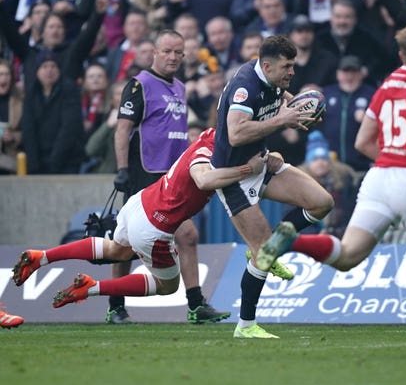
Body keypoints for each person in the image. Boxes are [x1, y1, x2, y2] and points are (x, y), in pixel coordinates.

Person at [256, 21, 406, 353]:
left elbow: (364, 141)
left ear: (400, 54)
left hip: (378, 177)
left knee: (349, 254)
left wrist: (394, 160)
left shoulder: (387, 85)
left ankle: (294, 241)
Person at [11, 129, 268, 309]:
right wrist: (248, 170)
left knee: (117, 250)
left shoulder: (211, 135)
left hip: (140, 202)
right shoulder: (211, 152)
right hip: (154, 227)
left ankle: (41, 256)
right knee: (167, 286)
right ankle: (90, 287)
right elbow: (203, 178)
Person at [211, 34, 334, 338]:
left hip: (262, 162)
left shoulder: (270, 79)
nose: (292, 72)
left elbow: (282, 101)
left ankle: (274, 242)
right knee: (263, 252)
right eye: (287, 67)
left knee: (322, 202)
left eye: (292, 65)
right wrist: (283, 120)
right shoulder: (245, 86)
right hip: (234, 174)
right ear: (266, 65)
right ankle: (246, 326)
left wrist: (302, 107)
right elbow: (236, 134)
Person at [110, 29, 226, 324]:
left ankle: (196, 304)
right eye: (167, 51)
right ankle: (115, 305)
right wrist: (122, 169)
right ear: (155, 53)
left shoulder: (180, 87)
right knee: (124, 246)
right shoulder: (139, 85)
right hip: (145, 173)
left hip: (173, 175)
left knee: (187, 235)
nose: (173, 57)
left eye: (178, 52)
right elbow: (123, 129)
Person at [318, 55, 376, 173]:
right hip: (332, 166)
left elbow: (384, 126)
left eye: (354, 72)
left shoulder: (372, 94)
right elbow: (314, 125)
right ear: (338, 74)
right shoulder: (326, 94)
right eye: (345, 72)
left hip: (363, 166)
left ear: (361, 74)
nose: (349, 77)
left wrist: (367, 119)